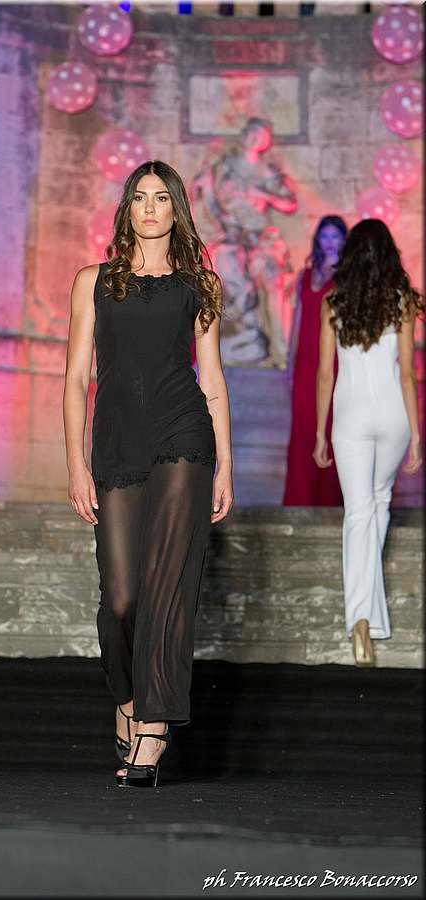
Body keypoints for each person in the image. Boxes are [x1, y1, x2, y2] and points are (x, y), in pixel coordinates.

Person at [63, 160, 234, 787]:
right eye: (140, 197)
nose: (151, 208)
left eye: (162, 198)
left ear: (176, 208)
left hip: (183, 436)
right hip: (116, 445)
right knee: (122, 597)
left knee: (167, 585)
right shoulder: (94, 282)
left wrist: (225, 464)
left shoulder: (201, 285)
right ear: (127, 209)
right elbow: (75, 379)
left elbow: (212, 380)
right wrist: (75, 462)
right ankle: (129, 697)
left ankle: (154, 728)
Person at [313, 219, 423, 666]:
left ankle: (360, 619)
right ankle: (372, 621)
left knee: (359, 513)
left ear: (351, 254)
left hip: (351, 416)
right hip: (393, 415)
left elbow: (325, 374)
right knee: (378, 505)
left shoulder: (333, 301)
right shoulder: (403, 301)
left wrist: (319, 432)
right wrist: (416, 433)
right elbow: (407, 374)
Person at [190, 117, 297, 368]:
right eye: (251, 132)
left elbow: (289, 203)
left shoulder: (266, 170)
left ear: (265, 142)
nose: (253, 138)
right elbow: (202, 194)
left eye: (260, 135)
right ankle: (235, 341)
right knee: (223, 270)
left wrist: (262, 194)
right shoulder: (223, 166)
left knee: (270, 277)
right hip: (229, 235)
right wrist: (214, 208)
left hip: (258, 236)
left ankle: (278, 349)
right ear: (243, 133)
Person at [283, 216, 347, 506]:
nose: (330, 242)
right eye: (325, 236)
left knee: (332, 427)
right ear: (318, 240)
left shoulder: (347, 277)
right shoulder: (304, 276)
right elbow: (297, 321)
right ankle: (300, 499)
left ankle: (329, 502)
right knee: (303, 430)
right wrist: (289, 361)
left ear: (344, 240)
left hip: (334, 362)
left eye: (335, 236)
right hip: (305, 363)